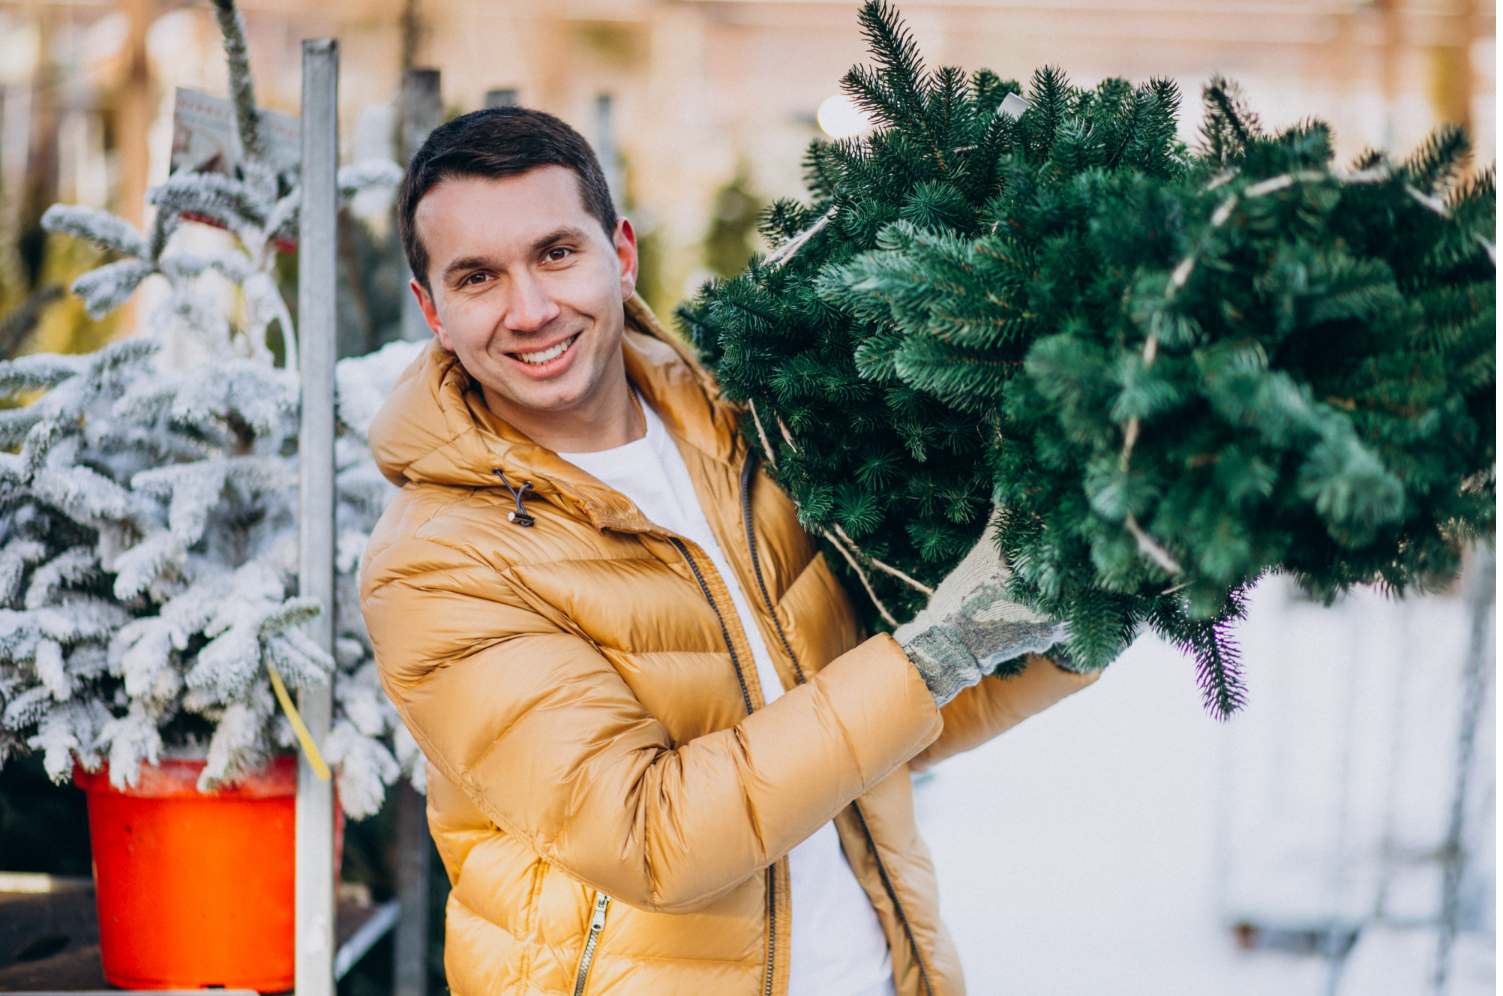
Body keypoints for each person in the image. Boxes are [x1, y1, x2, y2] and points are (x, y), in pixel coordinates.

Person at [360, 106, 1098, 996]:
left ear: (619, 253)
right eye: (478, 277)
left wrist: (1067, 624)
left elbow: (875, 724)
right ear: (432, 310)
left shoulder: (749, 423)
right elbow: (647, 838)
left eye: (556, 253)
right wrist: (937, 652)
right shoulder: (439, 564)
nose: (530, 309)